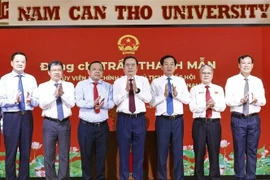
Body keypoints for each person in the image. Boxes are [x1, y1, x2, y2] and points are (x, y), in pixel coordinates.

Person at [225, 55, 266, 180]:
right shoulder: (231, 80)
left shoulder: (257, 81)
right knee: (239, 150)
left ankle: (251, 177)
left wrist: (255, 100)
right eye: (243, 63)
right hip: (238, 119)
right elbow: (228, 101)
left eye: (249, 63)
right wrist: (240, 100)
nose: (246, 65)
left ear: (252, 65)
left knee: (252, 150)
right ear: (239, 65)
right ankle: (239, 177)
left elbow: (263, 101)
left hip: (253, 119)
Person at [150, 55, 190, 180]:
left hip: (177, 120)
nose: (169, 66)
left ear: (175, 66)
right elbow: (151, 103)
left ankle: (178, 178)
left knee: (177, 152)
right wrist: (164, 95)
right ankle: (162, 177)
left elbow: (187, 100)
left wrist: (176, 95)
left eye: (171, 64)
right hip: (163, 120)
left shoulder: (181, 81)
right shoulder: (156, 82)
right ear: (161, 66)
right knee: (162, 152)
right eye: (166, 64)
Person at [0, 52, 38, 180]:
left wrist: (30, 100)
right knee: (11, 152)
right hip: (11, 117)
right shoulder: (4, 79)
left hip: (27, 116)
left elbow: (37, 101)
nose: (20, 63)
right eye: (17, 61)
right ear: (11, 63)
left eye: (23, 61)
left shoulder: (31, 79)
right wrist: (14, 101)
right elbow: (0, 101)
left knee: (26, 152)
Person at [113, 56, 152, 180]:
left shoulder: (143, 80)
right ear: (123, 67)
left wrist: (137, 90)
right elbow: (115, 100)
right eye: (127, 65)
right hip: (124, 119)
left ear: (137, 67)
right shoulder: (118, 82)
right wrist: (126, 91)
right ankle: (123, 177)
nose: (130, 67)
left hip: (139, 119)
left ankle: (138, 177)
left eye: (133, 65)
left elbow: (148, 99)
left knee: (139, 151)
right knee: (123, 151)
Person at [75, 61, 114, 180]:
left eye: (100, 69)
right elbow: (78, 102)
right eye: (94, 69)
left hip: (102, 126)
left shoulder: (108, 86)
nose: (97, 71)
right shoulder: (81, 85)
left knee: (101, 157)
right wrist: (93, 103)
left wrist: (103, 105)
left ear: (103, 72)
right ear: (88, 71)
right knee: (86, 156)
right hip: (85, 126)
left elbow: (112, 103)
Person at [38, 60, 75, 179]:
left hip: (64, 123)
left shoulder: (69, 85)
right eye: (54, 70)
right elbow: (42, 105)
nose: (57, 73)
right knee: (49, 155)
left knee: (64, 155)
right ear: (49, 72)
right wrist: (54, 95)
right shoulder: (43, 86)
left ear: (63, 72)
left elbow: (72, 104)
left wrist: (62, 94)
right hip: (50, 123)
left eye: (59, 70)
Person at [189, 65, 226, 180]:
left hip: (214, 123)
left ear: (212, 74)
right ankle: (199, 177)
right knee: (199, 152)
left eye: (208, 73)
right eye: (203, 73)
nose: (206, 75)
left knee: (214, 152)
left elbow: (222, 107)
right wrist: (205, 106)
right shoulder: (194, 89)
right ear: (200, 75)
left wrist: (214, 105)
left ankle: (214, 177)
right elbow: (192, 108)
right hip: (199, 123)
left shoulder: (218, 89)